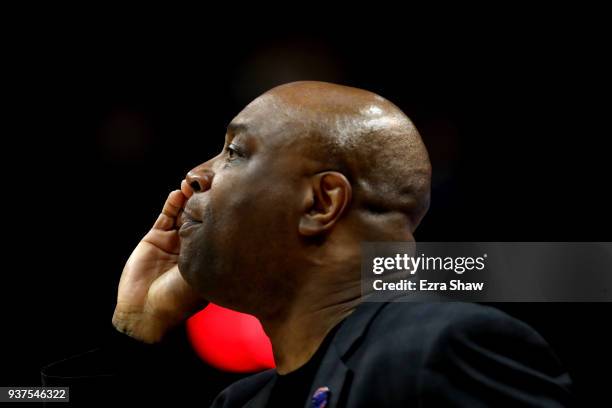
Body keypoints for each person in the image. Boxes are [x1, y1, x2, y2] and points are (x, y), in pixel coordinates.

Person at [43, 81, 573, 406]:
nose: (195, 177)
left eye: (234, 152)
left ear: (321, 203)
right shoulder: (242, 399)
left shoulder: (441, 348)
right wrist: (134, 328)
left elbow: (572, 272)